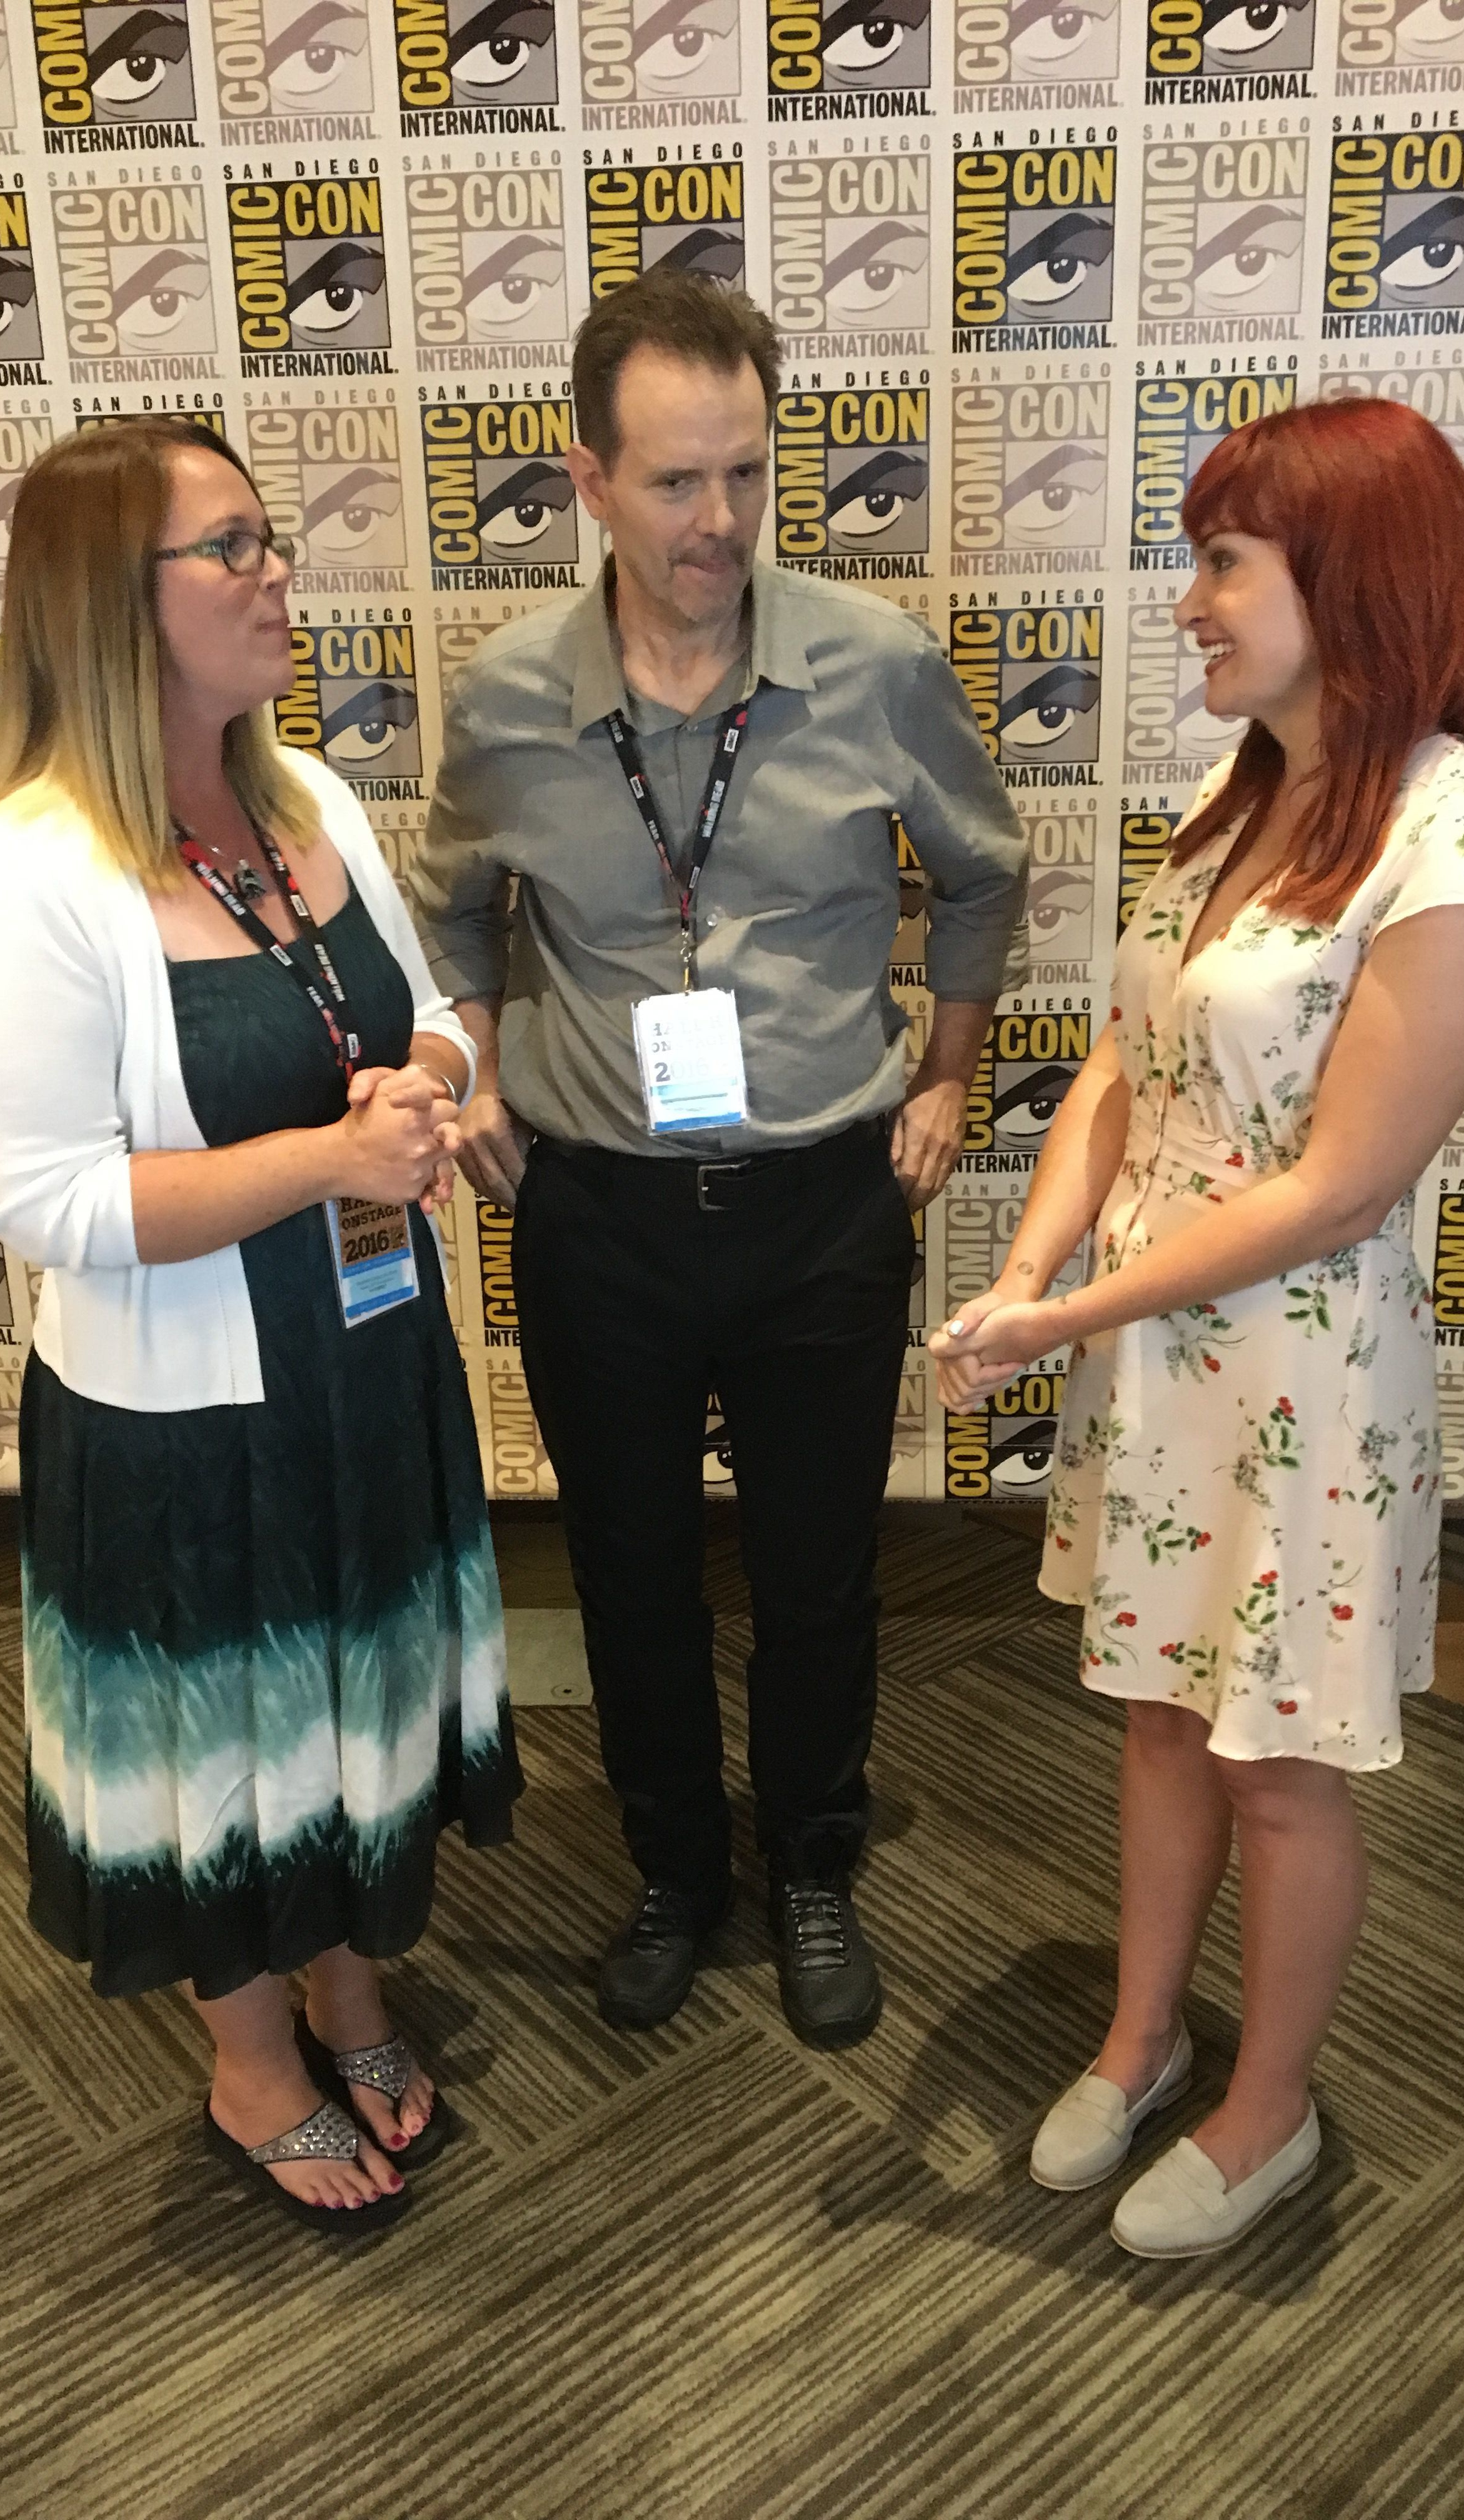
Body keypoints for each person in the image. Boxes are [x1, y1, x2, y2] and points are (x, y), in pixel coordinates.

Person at [931, 398, 1464, 2256]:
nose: (1190, 601)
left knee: (1274, 1764)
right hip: (1157, 1359)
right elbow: (1126, 1063)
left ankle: (1267, 2107)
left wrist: (1071, 1311)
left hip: (1300, 1379)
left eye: (1223, 561)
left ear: (1347, 578)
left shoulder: (1458, 831)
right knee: (1154, 1717)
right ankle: (1141, 2042)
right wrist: (1035, 1279)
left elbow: (1342, 1187)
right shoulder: (1247, 799)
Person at [414, 273, 1025, 2046]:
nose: (719, 521)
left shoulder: (875, 664)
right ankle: (676, 1868)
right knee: (629, 1571)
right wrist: (477, 1066)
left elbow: (981, 871)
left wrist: (947, 1079)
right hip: (596, 1212)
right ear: (590, 482)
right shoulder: (510, 698)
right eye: (676, 482)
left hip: (821, 1205)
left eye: (747, 474)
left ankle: (813, 1862)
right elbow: (452, 904)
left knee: (821, 1573)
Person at [0, 419, 519, 2234]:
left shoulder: (308, 802)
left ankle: (350, 1983)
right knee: (226, 1742)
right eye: (233, 548)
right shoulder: (35, 871)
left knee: (351, 1695)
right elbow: (47, 1202)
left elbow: (436, 1016)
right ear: (114, 604)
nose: (277, 574)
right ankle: (252, 2055)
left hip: (366, 1355)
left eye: (271, 539)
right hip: (183, 1410)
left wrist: (429, 1089)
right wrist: (328, 1157)